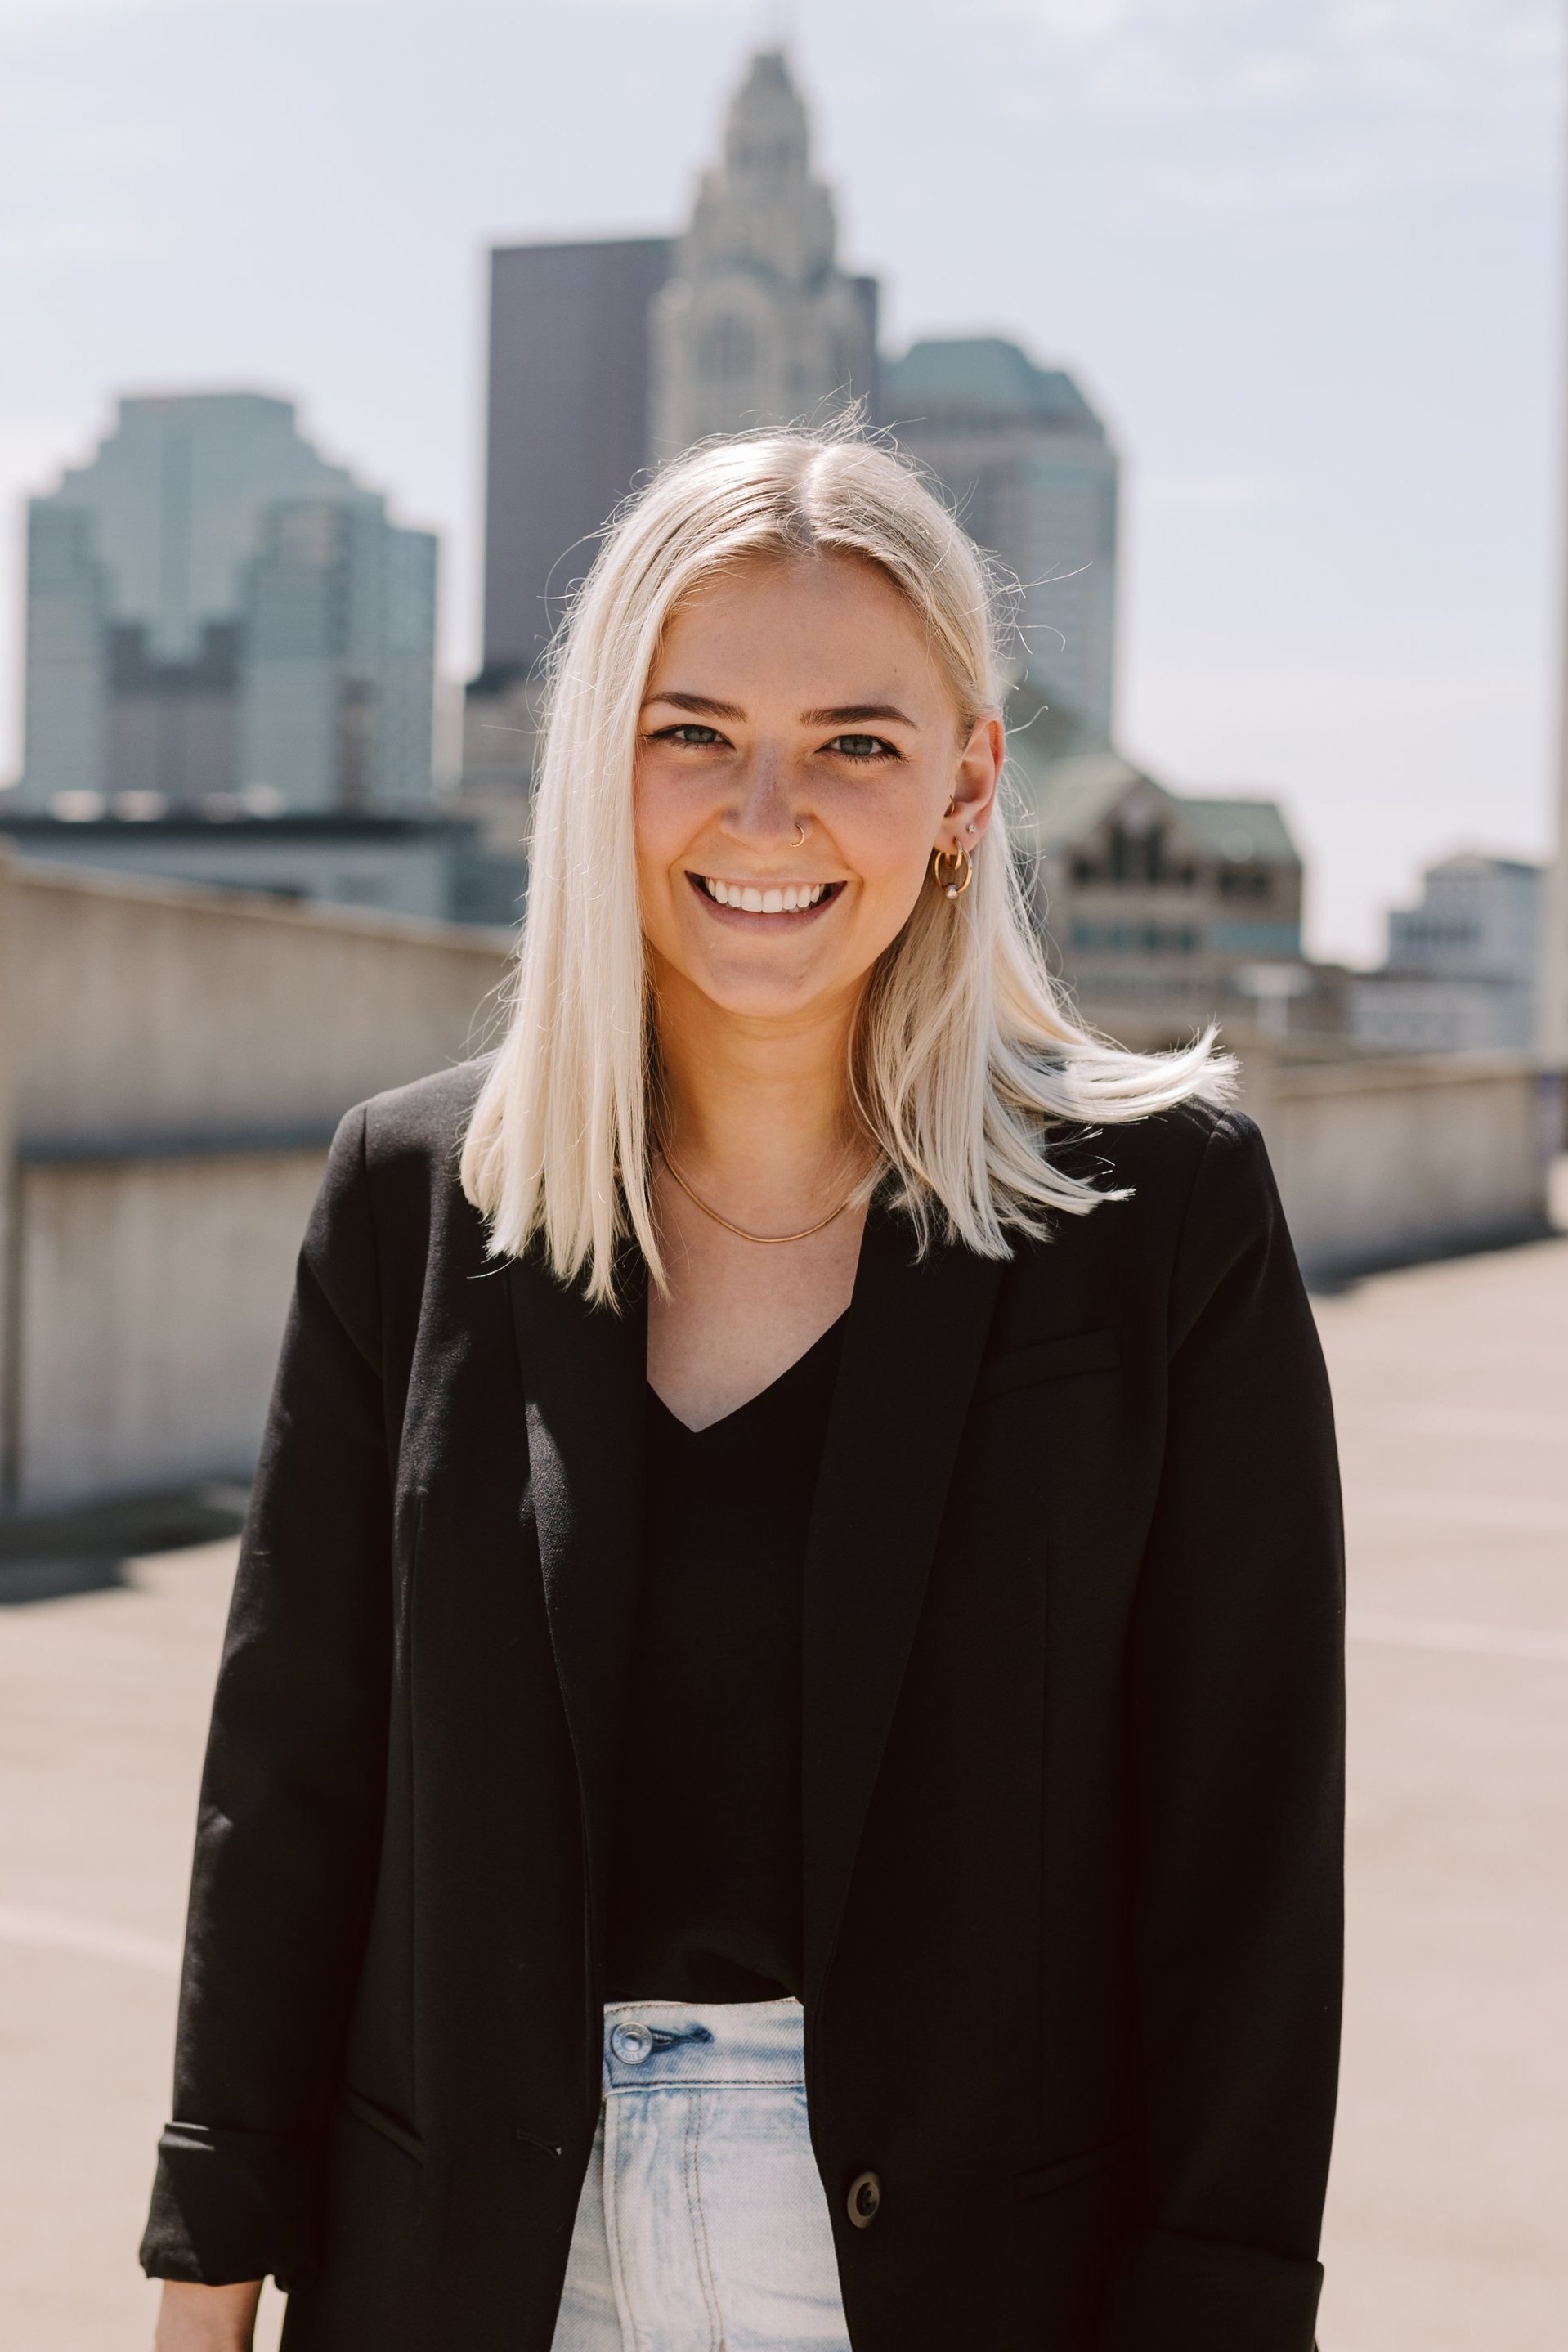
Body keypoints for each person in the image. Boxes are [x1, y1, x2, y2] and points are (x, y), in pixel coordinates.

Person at [142, 428, 1343, 2352]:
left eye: (853, 742)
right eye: (691, 731)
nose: (764, 813)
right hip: (467, 2256)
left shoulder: (1161, 1216)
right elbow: (292, 1782)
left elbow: (1243, 1853)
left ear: (966, 785)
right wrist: (206, 2277)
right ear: (594, 765)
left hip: (956, 2268)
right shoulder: (411, 1196)